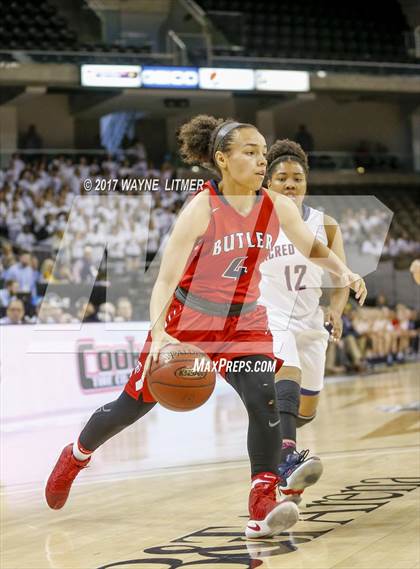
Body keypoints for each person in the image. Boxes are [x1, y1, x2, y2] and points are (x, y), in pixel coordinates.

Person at [45, 116, 366, 539]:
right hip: (189, 324)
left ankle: (262, 499)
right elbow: (164, 280)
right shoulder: (201, 208)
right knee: (131, 407)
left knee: (263, 401)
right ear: (222, 159)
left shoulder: (276, 205)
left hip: (245, 324)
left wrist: (345, 273)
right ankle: (76, 455)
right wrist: (160, 335)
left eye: (262, 153)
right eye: (249, 152)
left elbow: (313, 246)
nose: (260, 161)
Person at [259, 139, 354, 503]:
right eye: (281, 178)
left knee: (305, 408)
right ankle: (286, 466)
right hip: (271, 315)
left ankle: (280, 441)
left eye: (297, 178)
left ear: (306, 183)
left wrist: (335, 309)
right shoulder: (259, 220)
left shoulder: (325, 224)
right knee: (288, 378)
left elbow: (341, 275)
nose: (290, 184)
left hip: (311, 322)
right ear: (268, 183)